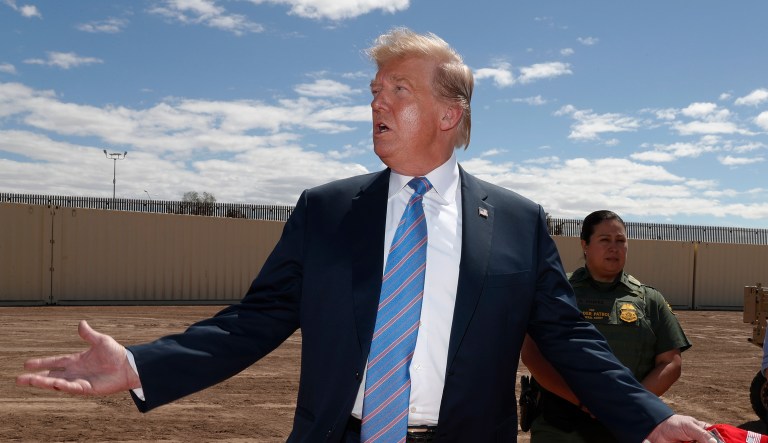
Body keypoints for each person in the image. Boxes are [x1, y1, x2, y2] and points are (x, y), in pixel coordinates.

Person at [17, 27, 716, 443]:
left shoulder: (516, 221)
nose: (376, 100)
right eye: (374, 90)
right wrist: (140, 363)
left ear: (450, 113)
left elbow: (568, 340)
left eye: (398, 90)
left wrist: (649, 416)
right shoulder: (326, 211)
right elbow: (251, 323)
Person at [521, 210, 692, 442]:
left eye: (620, 240)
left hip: (627, 428)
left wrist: (625, 404)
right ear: (585, 245)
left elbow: (671, 362)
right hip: (560, 428)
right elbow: (533, 355)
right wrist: (582, 401)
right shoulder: (557, 294)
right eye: (605, 240)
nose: (614, 247)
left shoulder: (650, 300)